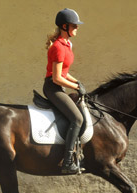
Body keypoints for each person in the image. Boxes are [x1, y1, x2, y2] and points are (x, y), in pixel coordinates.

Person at [43, 8, 86, 174]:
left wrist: (77, 82)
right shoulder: (58, 48)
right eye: (74, 26)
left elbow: (65, 73)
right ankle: (67, 162)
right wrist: (75, 87)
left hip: (58, 85)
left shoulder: (67, 44)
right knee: (77, 118)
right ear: (64, 26)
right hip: (52, 87)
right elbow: (56, 78)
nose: (77, 28)